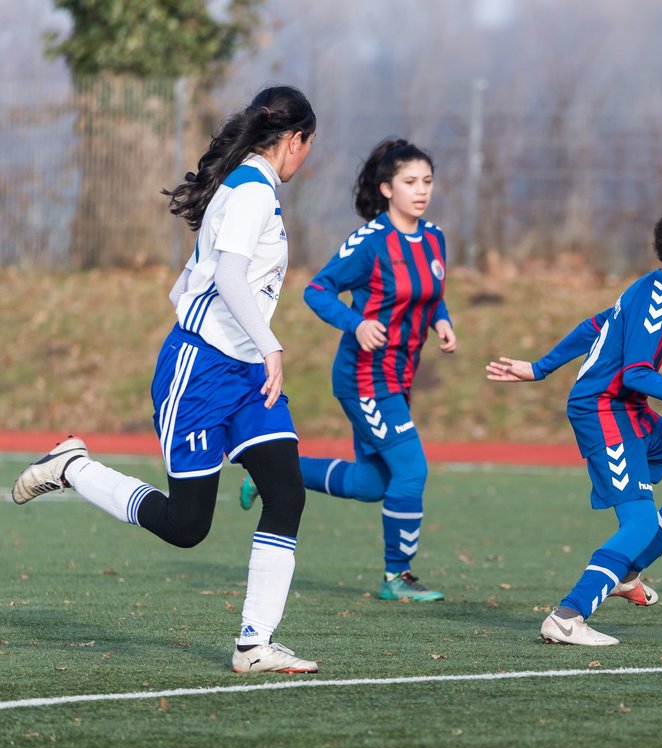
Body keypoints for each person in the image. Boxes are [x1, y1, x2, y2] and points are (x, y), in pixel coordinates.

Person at [10, 86, 319, 674]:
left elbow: (198, 278)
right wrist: (271, 345)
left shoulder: (254, 188)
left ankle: (254, 643)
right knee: (186, 527)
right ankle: (73, 467)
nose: (308, 156)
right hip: (201, 370)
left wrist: (250, 345)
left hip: (245, 372)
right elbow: (227, 275)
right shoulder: (252, 189)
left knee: (286, 494)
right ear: (296, 140)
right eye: (309, 146)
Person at [486, 199, 662, 646]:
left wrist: (541, 367)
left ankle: (627, 570)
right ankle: (568, 615)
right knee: (639, 524)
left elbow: (595, 325)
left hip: (632, 411)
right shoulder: (657, 295)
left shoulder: (652, 289)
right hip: (604, 411)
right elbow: (637, 373)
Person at [241, 138, 454, 603]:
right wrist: (356, 324)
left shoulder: (434, 238)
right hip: (364, 378)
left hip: (398, 378)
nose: (421, 191)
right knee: (412, 471)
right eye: (410, 182)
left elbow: (431, 293)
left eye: (427, 182)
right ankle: (395, 578)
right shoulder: (370, 243)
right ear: (386, 188)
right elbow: (317, 290)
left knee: (372, 483)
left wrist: (443, 322)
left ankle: (271, 473)